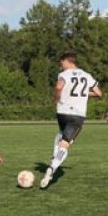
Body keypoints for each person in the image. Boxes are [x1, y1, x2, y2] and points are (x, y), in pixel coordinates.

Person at [40, 51, 102, 189]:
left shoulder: (64, 74)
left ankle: (54, 158)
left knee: (61, 136)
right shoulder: (87, 75)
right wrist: (85, 93)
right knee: (66, 142)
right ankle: (52, 167)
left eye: (61, 62)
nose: (60, 65)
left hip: (62, 112)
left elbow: (58, 87)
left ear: (67, 61)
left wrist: (56, 99)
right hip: (78, 115)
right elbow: (99, 93)